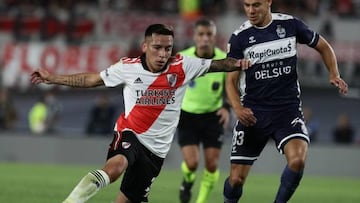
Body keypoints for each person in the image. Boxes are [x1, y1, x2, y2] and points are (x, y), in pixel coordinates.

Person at [30, 24, 251, 203]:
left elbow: (219, 64)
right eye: (157, 47)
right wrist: (52, 78)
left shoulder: (184, 66)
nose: (163, 54)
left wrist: (241, 63)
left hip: (156, 151)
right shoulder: (127, 67)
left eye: (168, 48)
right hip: (131, 133)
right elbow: (91, 80)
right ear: (145, 46)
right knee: (115, 166)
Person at [223, 1, 348, 203]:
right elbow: (230, 81)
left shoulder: (290, 25)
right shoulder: (239, 37)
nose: (251, 10)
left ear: (268, 2)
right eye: (246, 5)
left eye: (256, 4)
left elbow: (324, 46)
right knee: (236, 180)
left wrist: (334, 74)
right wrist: (237, 108)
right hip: (253, 114)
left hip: (287, 111)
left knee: (297, 161)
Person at [177, 18, 230, 203]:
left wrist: (226, 107)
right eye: (201, 34)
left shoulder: (224, 60)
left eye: (209, 34)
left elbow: (233, 87)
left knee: (212, 164)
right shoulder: (183, 58)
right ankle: (187, 181)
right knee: (192, 163)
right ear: (194, 36)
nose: (205, 38)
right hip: (187, 116)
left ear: (215, 37)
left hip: (212, 117)